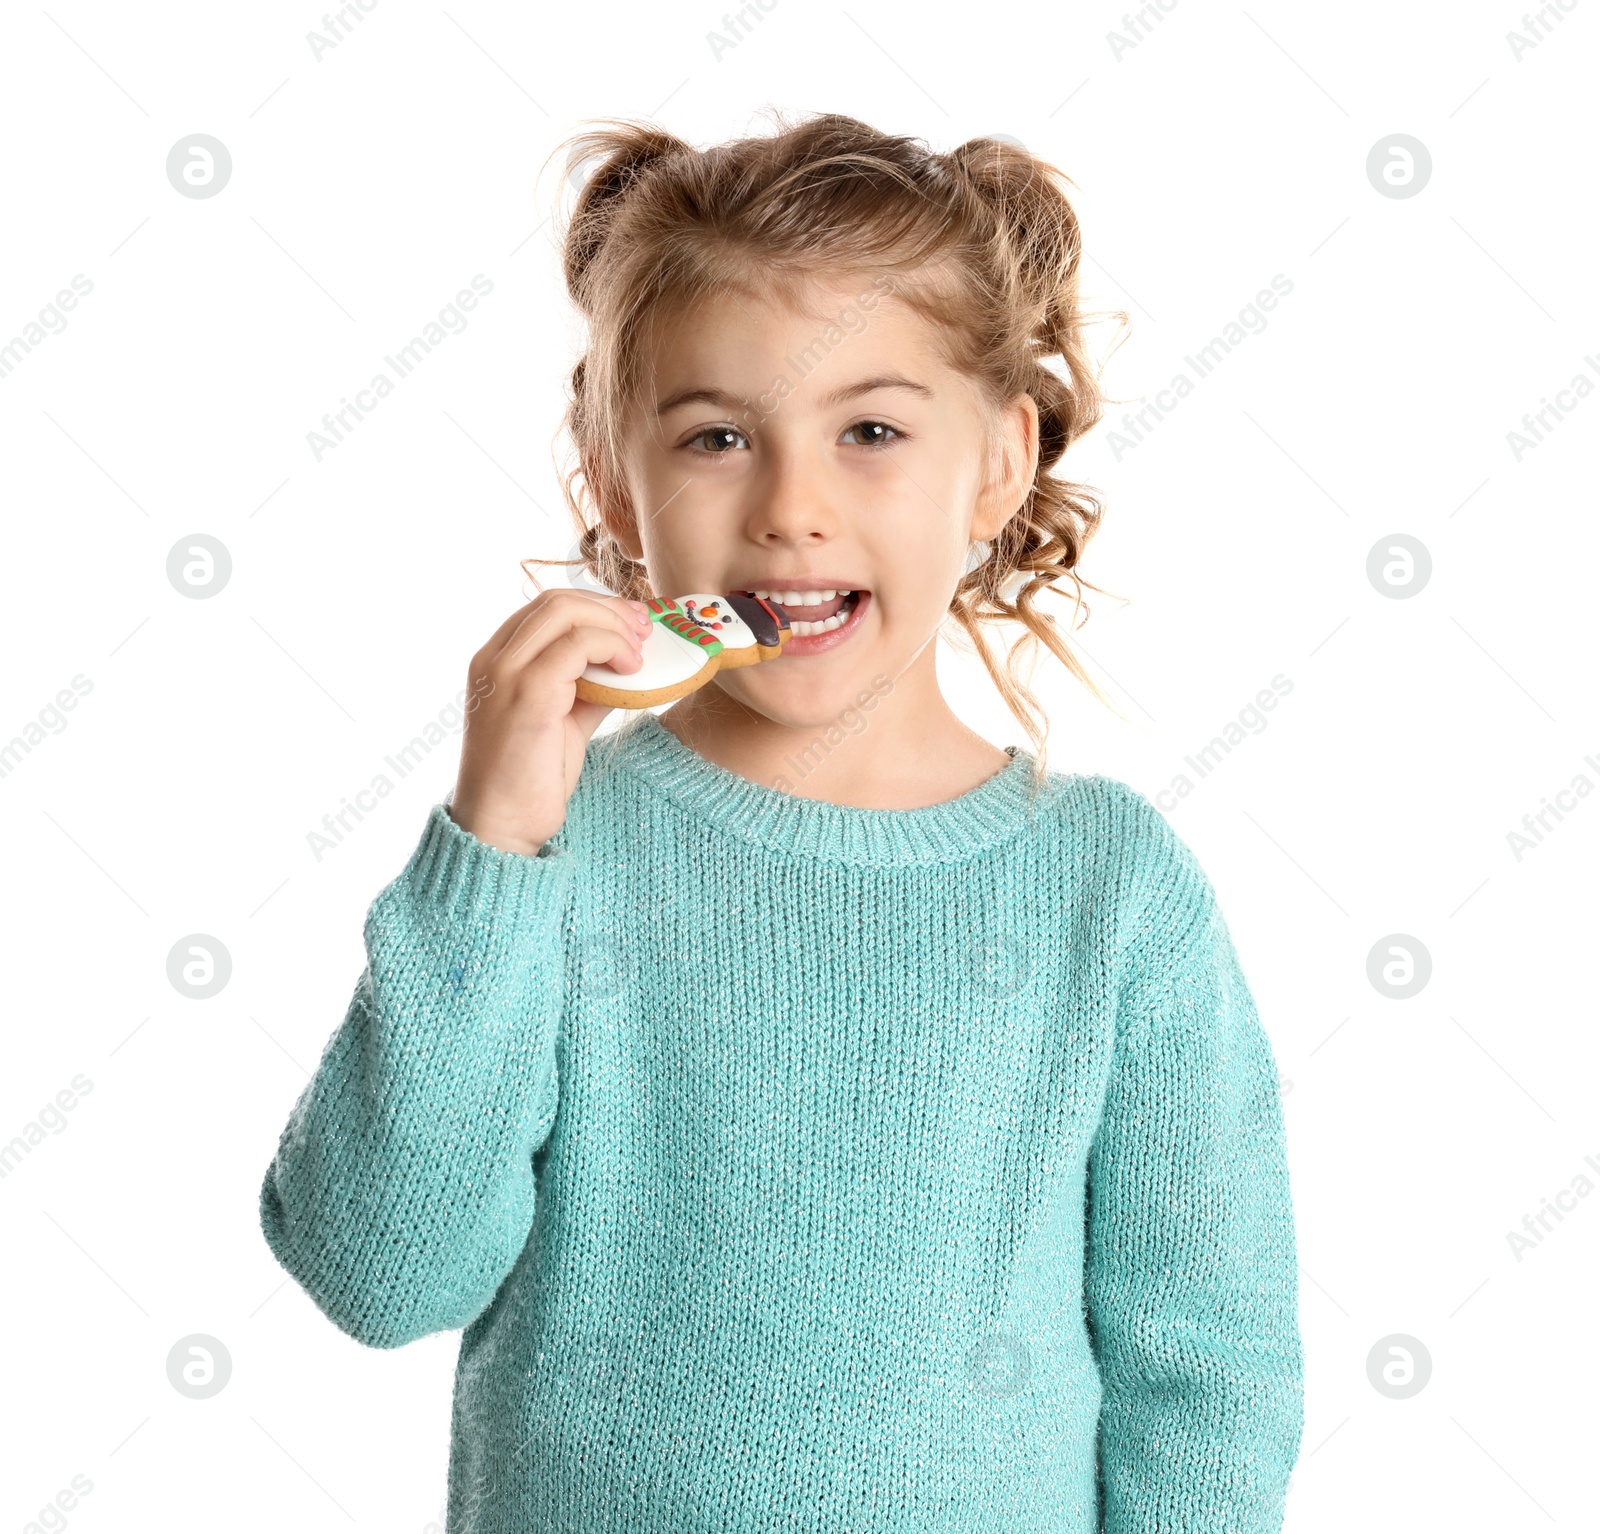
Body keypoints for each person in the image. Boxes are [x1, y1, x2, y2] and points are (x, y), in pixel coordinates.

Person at [258, 110, 1303, 1533]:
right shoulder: (553, 856)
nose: (791, 509)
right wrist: (490, 853)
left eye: (870, 430)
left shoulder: (1110, 890)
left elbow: (1211, 1375)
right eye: (716, 436)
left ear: (995, 464)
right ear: (614, 474)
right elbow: (381, 1274)